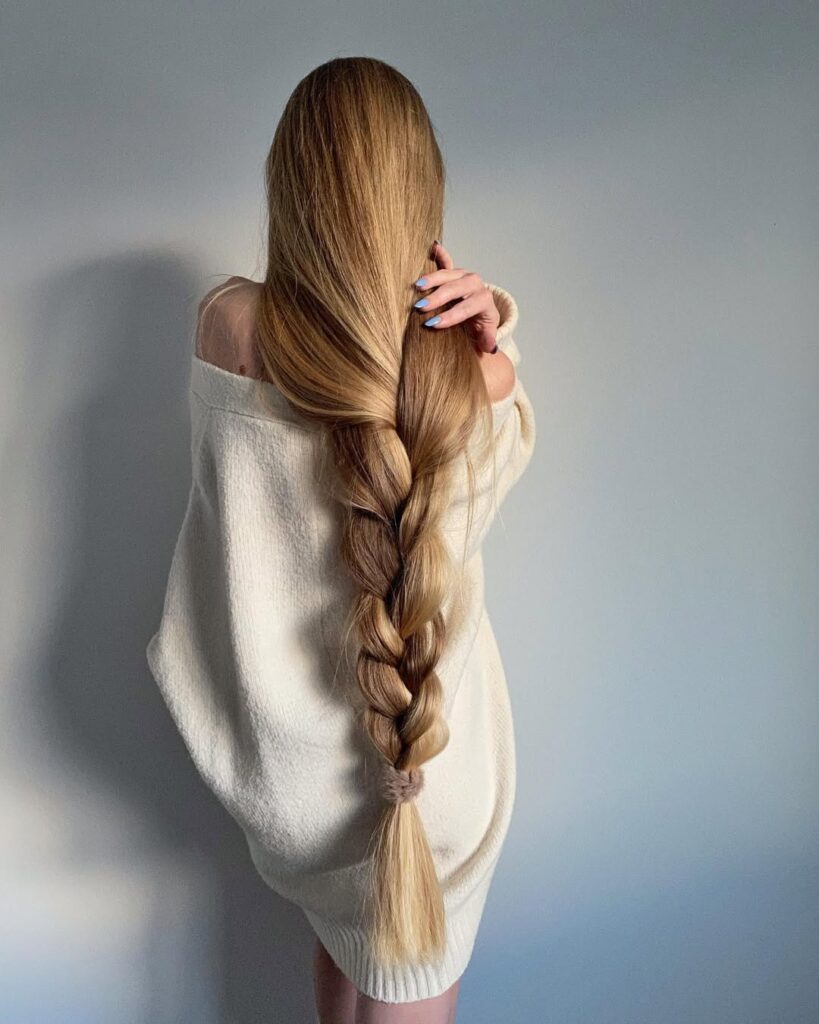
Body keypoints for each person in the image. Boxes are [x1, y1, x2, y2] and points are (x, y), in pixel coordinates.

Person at [146, 56, 536, 1023]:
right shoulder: (468, 384)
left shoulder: (225, 328)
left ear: (295, 190)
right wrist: (492, 339)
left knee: (345, 970)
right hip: (427, 761)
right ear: (422, 195)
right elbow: (504, 449)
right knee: (399, 986)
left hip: (298, 779)